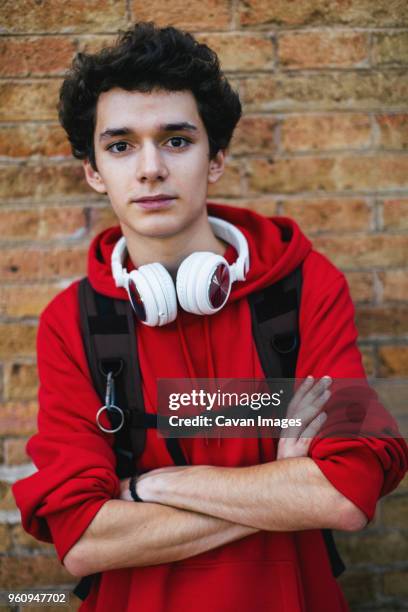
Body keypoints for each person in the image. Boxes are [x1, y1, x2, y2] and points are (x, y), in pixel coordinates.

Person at [12, 22, 408, 612]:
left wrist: (149, 487)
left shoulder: (306, 287)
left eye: (176, 140)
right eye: (121, 145)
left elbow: (344, 494)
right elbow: (83, 538)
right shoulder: (72, 322)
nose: (149, 168)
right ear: (94, 171)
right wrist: (278, 489)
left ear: (216, 157)